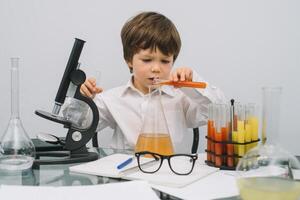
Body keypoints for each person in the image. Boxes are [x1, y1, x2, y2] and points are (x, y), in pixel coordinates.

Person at [66, 11, 226, 152]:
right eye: (147, 59)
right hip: (126, 177)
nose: (156, 68)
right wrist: (83, 100)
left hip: (171, 175)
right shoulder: (111, 99)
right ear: (129, 60)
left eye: (165, 61)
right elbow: (79, 124)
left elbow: (218, 111)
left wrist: (191, 83)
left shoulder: (182, 98)